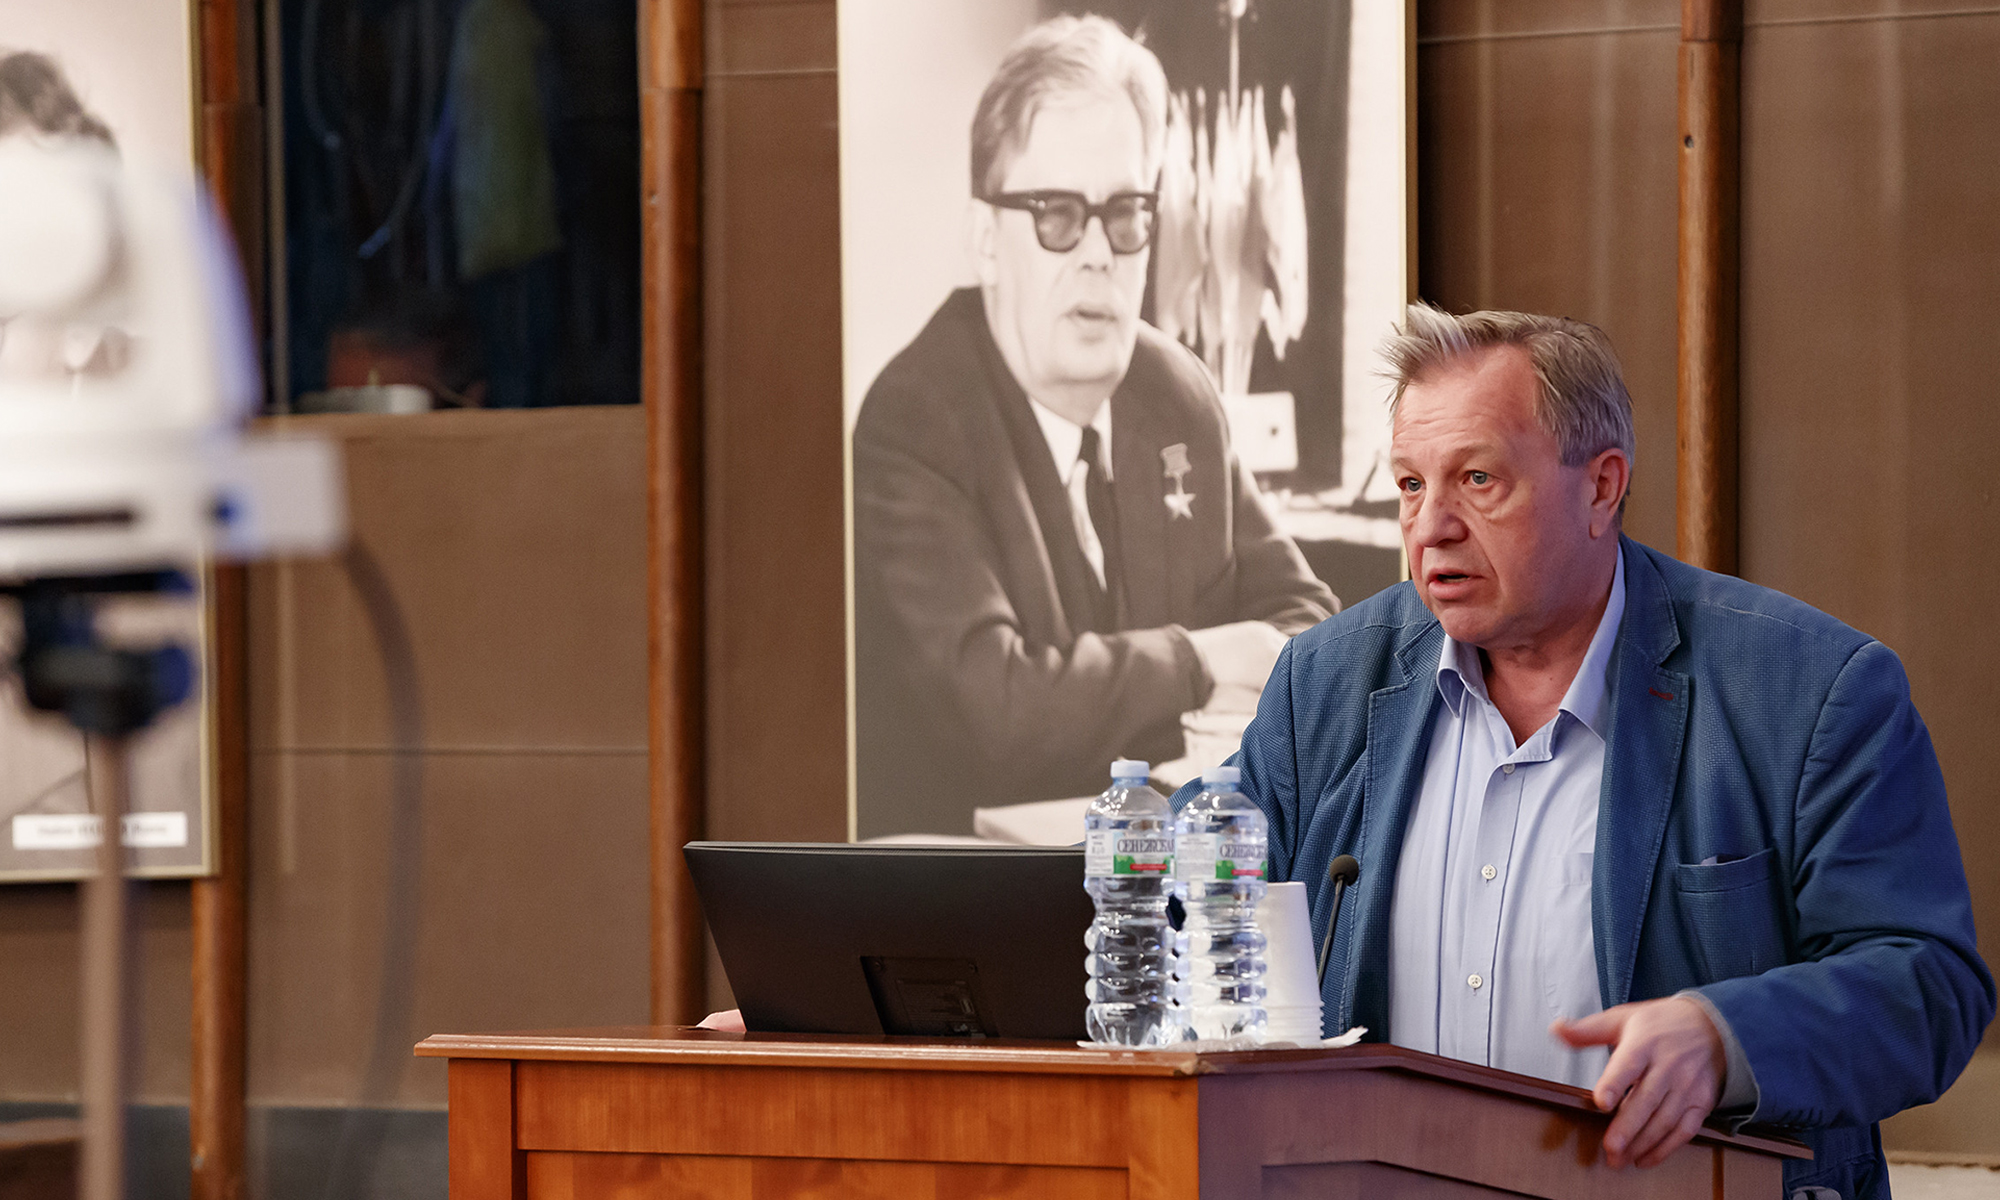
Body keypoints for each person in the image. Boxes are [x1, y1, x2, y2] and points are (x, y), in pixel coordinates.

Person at [1183, 304, 1993, 1199]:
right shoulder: (1326, 682)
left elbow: (1929, 988)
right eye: (1411, 484)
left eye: (1478, 480)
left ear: (1602, 487)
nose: (1432, 526)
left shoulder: (1809, 691)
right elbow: (1189, 883)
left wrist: (1726, 1038)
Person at [852, 16, 1335, 837]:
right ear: (985, 242)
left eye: (1125, 212)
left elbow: (1310, 631)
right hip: (986, 892)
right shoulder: (916, 419)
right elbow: (996, 711)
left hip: (1177, 876)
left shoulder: (1177, 397)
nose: (1097, 253)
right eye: (1055, 214)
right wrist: (1200, 662)